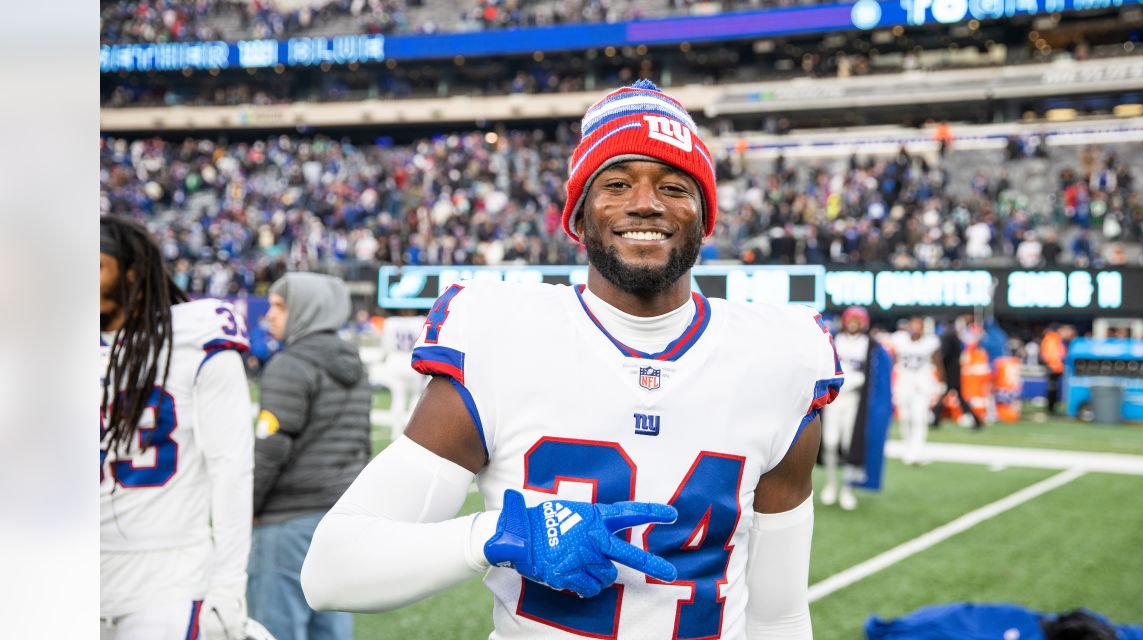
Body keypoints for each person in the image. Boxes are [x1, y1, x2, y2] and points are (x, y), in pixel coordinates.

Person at [301, 79, 844, 638]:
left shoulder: (778, 359)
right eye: (616, 182)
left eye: (675, 186)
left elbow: (778, 614)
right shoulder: (503, 337)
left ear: (704, 218)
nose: (646, 202)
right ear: (578, 218)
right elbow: (333, 570)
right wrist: (497, 536)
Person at [99, 214, 254, 640]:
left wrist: (228, 583)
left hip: (166, 575)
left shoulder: (193, 341)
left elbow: (232, 469)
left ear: (132, 275)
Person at [250, 272, 372, 640]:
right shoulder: (356, 364)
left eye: (279, 306)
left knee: (274, 629)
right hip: (338, 518)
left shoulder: (289, 365)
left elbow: (270, 449)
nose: (269, 315)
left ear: (306, 309)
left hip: (287, 519)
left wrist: (246, 507)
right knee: (331, 629)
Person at [820, 306, 872, 510]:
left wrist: (857, 382)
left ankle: (847, 488)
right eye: (851, 319)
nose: (853, 323)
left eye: (857, 320)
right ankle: (831, 484)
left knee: (851, 444)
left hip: (854, 400)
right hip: (835, 398)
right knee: (830, 442)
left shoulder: (869, 344)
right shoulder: (834, 339)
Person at [889, 317, 944, 466]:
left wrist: (941, 383)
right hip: (903, 383)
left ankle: (917, 452)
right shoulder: (899, 339)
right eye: (913, 325)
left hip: (922, 384)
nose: (915, 328)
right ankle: (907, 448)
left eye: (918, 326)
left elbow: (938, 361)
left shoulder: (930, 342)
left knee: (919, 418)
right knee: (905, 418)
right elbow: (892, 358)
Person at [934, 316, 983, 430]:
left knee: (950, 396)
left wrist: (941, 370)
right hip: (955, 371)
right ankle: (935, 419)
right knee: (953, 396)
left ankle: (935, 419)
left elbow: (945, 356)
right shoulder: (954, 336)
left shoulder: (948, 336)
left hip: (950, 372)